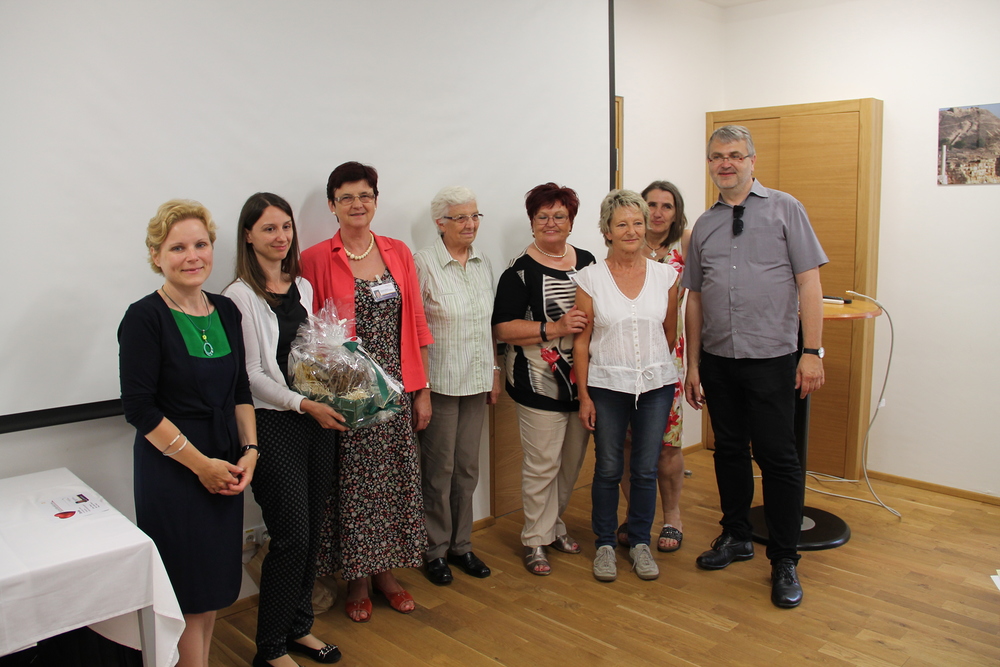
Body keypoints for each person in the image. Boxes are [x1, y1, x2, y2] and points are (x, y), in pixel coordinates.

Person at [683, 125, 827, 609]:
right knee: (728, 451)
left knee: (778, 458)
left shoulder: (786, 209)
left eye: (735, 155)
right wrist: (694, 363)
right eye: (716, 156)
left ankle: (784, 558)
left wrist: (812, 351)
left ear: (751, 160)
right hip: (719, 359)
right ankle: (737, 535)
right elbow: (695, 297)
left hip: (772, 358)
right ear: (709, 163)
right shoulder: (704, 224)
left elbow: (809, 283)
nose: (725, 163)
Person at [119, 199, 259, 667]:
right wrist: (201, 467)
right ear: (156, 255)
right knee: (186, 594)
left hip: (224, 463)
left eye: (201, 244)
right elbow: (140, 410)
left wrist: (250, 450)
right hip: (175, 472)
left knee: (212, 591)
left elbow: (240, 389)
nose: (192, 256)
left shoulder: (226, 310)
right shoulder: (144, 318)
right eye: (177, 248)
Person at [300, 161, 431, 622]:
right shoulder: (316, 258)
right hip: (351, 396)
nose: (357, 204)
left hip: (397, 390)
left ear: (376, 200)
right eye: (347, 197)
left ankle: (386, 574)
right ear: (332, 205)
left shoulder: (397, 251)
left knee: (393, 483)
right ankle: (357, 578)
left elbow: (416, 323)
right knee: (355, 489)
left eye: (365, 195)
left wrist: (422, 390)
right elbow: (311, 336)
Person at [223, 193, 345, 666]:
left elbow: (309, 354)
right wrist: (303, 404)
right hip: (273, 424)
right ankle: (270, 648)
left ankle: (299, 628)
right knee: (291, 536)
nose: (281, 237)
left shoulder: (303, 286)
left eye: (286, 227)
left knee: (312, 533)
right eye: (269, 228)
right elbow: (251, 374)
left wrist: (339, 379)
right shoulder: (239, 296)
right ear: (248, 235)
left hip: (315, 421)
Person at [574, 189, 679, 583]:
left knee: (646, 470)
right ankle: (605, 543)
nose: (631, 230)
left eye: (637, 222)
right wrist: (584, 396)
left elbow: (669, 332)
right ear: (607, 231)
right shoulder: (590, 279)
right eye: (622, 224)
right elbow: (581, 342)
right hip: (606, 386)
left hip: (655, 386)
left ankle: (639, 542)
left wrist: (649, 366)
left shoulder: (666, 276)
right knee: (608, 468)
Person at [492, 182, 596, 576]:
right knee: (542, 465)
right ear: (532, 222)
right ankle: (535, 540)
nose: (551, 223)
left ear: (571, 221)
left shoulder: (588, 263)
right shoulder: (518, 272)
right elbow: (503, 329)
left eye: (559, 216)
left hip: (583, 384)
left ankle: (553, 527)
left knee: (570, 465)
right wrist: (554, 327)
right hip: (537, 382)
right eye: (543, 216)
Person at [413, 186, 499, 586]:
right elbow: (414, 329)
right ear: (440, 223)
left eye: (475, 216)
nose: (470, 224)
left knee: (466, 470)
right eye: (461, 217)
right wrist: (422, 388)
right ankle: (434, 550)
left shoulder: (483, 263)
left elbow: (487, 327)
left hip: (476, 383)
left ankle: (461, 546)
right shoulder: (424, 263)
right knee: (438, 471)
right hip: (441, 385)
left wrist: (494, 372)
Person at [616, 180, 691, 553]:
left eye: (667, 206)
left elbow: (697, 302)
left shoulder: (686, 245)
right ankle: (636, 515)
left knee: (666, 446)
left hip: (667, 359)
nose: (658, 213)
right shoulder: (626, 243)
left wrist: (695, 365)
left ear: (676, 213)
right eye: (652, 205)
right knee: (628, 443)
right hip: (625, 361)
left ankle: (672, 516)